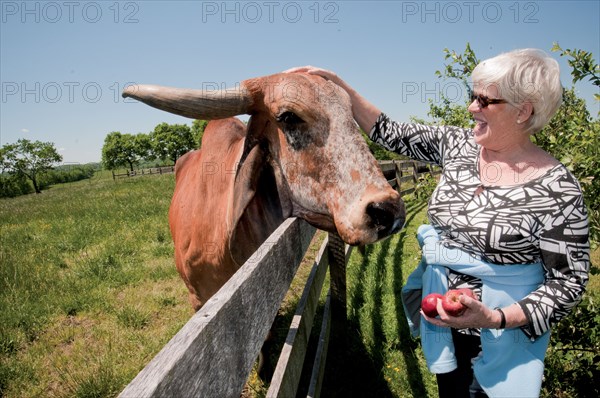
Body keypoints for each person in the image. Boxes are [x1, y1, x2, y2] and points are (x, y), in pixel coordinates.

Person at [287, 48, 590, 398]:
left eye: (485, 100)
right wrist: (339, 85)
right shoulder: (458, 144)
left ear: (523, 111)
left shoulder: (557, 188)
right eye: (472, 96)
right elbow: (388, 131)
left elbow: (569, 282)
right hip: (443, 323)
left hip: (505, 336)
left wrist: (496, 318)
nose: (471, 108)